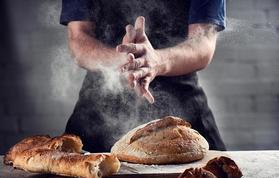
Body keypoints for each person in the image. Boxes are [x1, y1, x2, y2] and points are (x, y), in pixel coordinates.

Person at [60, 0, 227, 152]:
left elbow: (203, 42)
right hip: (95, 115)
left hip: (183, 113)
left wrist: (156, 61)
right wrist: (125, 61)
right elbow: (78, 38)